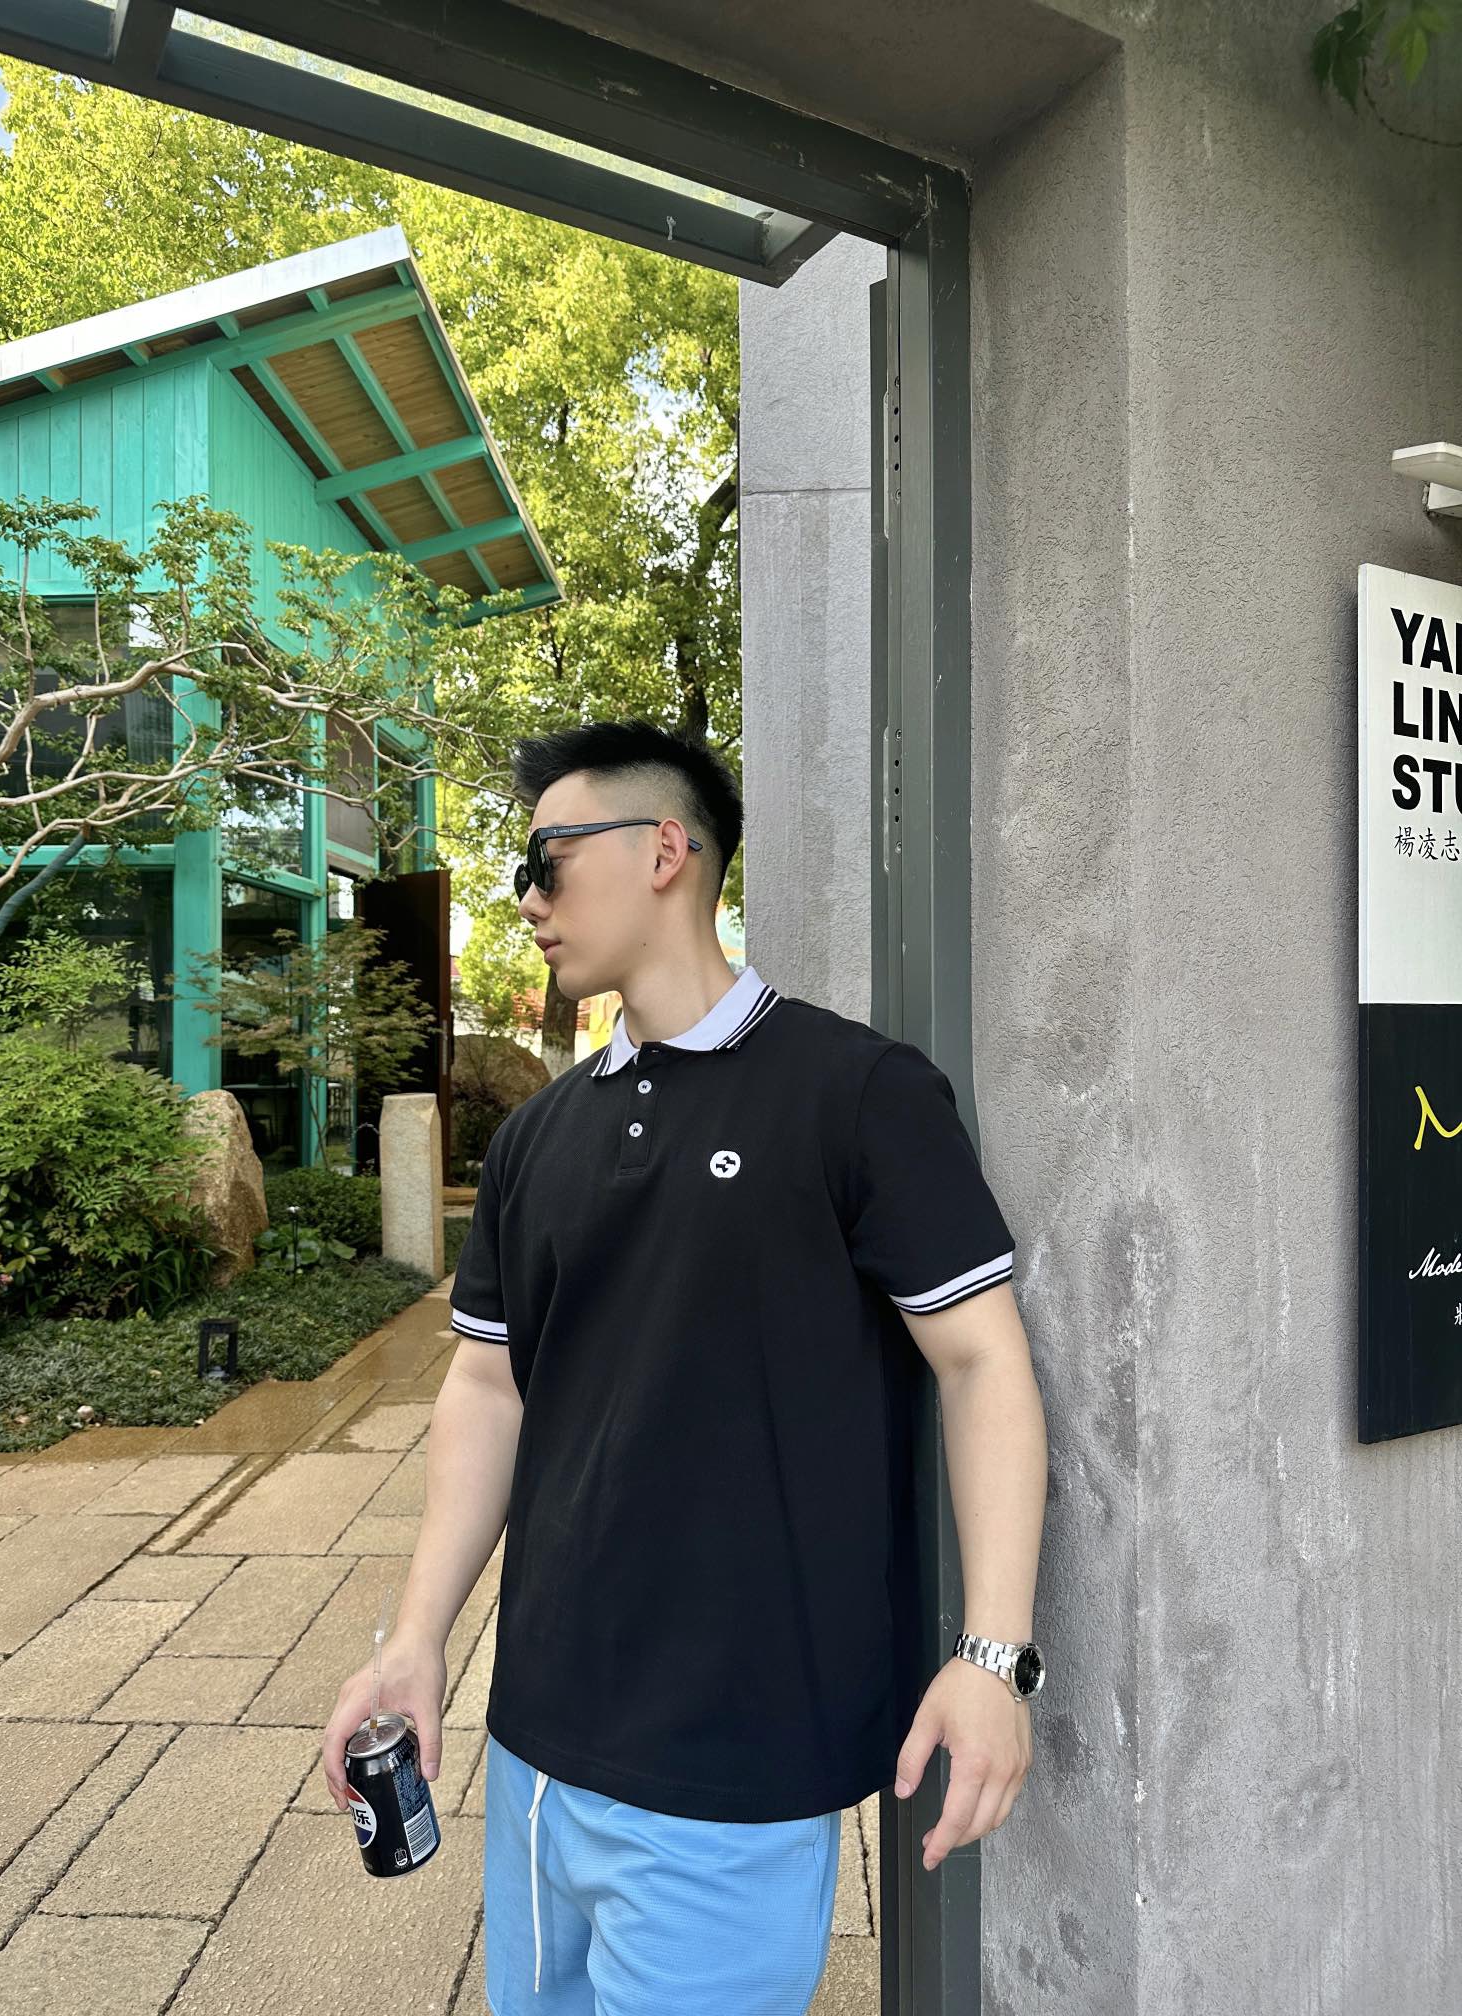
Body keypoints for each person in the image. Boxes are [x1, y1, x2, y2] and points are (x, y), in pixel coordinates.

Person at [321, 717, 1049, 2015]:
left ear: (666, 851)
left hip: (736, 1766)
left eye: (548, 861)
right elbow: (488, 1388)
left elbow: (983, 1363)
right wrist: (414, 1641)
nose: (527, 898)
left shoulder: (858, 1094)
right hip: (535, 1745)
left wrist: (992, 1659)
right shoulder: (538, 1137)